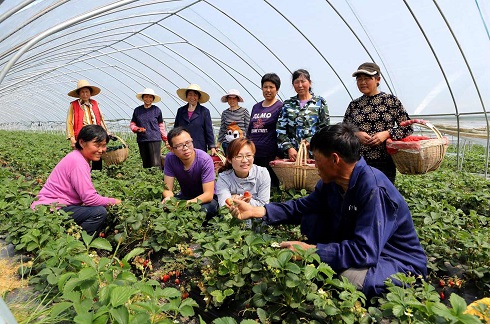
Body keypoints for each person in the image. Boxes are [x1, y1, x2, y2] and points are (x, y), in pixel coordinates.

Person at [227, 123, 427, 299]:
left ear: (335, 159)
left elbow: (365, 251)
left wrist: (312, 251)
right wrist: (256, 211)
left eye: (316, 158)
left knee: (351, 279)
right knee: (313, 217)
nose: (314, 164)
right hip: (366, 248)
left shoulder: (374, 189)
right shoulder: (332, 182)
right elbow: (301, 207)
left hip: (396, 260)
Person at [31, 125, 122, 234]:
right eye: (97, 145)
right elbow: (89, 199)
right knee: (99, 212)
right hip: (49, 211)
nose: (101, 150)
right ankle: (78, 244)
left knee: (96, 207)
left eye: (104, 146)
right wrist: (112, 201)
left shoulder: (77, 157)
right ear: (82, 143)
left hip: (47, 208)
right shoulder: (78, 162)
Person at [343, 62, 413, 183]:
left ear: (378, 79)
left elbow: (408, 127)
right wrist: (356, 134)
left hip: (384, 161)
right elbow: (343, 129)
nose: (362, 82)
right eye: (359, 79)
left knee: (382, 194)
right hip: (357, 161)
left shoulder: (390, 101)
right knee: (360, 195)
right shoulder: (354, 105)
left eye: (367, 79)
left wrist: (387, 133)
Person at [162, 126, 218, 223]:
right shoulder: (170, 158)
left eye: (188, 143)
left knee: (206, 209)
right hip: (186, 196)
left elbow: (208, 195)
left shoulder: (204, 159)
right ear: (171, 149)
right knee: (163, 203)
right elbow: (167, 189)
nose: (186, 148)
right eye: (179, 146)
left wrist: (182, 205)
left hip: (205, 200)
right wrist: (169, 199)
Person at [276, 69, 329, 161]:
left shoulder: (319, 102)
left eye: (303, 81)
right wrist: (289, 148)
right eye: (296, 82)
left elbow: (325, 129)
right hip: (292, 156)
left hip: (313, 155)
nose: (300, 85)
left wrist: (310, 141)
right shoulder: (288, 104)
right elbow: (280, 130)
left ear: (309, 83)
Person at [247, 73, 282, 188]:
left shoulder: (280, 107)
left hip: (270, 154)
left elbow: (282, 131)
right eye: (265, 87)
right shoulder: (256, 107)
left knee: (270, 186)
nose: (268, 90)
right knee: (254, 184)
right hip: (254, 153)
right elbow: (250, 129)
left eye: (271, 87)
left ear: (277, 89)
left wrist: (279, 154)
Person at [66, 79, 109, 171]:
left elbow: (101, 119)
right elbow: (69, 122)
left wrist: (106, 131)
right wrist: (72, 138)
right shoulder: (74, 105)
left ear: (90, 93)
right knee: (83, 156)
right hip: (82, 136)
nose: (85, 94)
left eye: (87, 92)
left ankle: (97, 174)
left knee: (97, 154)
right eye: (82, 92)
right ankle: (83, 174)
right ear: (79, 94)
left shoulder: (95, 104)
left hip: (96, 135)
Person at [216, 137, 271, 208]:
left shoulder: (262, 173)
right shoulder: (224, 177)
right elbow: (224, 206)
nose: (244, 160)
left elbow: (264, 205)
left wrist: (237, 197)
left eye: (248, 155)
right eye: (239, 156)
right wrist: (249, 201)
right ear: (229, 159)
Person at [130, 88, 168, 169]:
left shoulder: (156, 110)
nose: (148, 99)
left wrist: (165, 139)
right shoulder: (137, 110)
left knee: (155, 162)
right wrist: (137, 129)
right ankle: (147, 179)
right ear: (143, 98)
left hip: (154, 139)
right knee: (146, 162)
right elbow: (132, 123)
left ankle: (156, 179)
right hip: (142, 139)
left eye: (150, 97)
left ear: (153, 99)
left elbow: (161, 126)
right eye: (146, 97)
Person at [174, 84, 217, 155]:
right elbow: (176, 128)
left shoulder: (204, 111)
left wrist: (212, 147)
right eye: (190, 94)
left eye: (195, 95)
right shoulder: (181, 111)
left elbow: (209, 130)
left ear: (198, 97)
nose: (192, 97)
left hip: (199, 145)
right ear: (187, 96)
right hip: (183, 146)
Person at [217, 89, 250, 154]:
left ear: (237, 100)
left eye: (234, 98)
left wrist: (248, 142)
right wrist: (218, 143)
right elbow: (223, 129)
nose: (232, 100)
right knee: (229, 162)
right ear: (227, 100)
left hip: (240, 144)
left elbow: (248, 127)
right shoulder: (225, 113)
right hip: (227, 144)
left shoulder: (244, 111)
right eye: (230, 98)